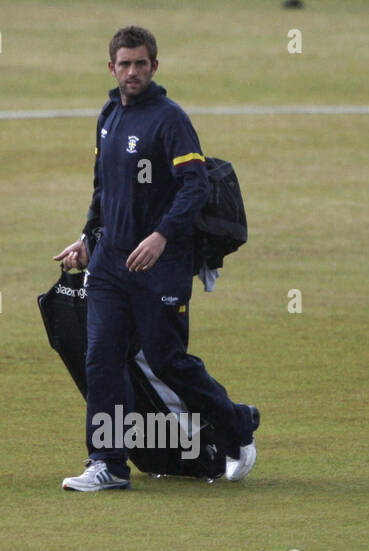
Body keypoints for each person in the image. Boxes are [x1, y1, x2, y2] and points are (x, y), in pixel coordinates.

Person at [53, 25, 258, 492]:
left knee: (167, 360)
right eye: (124, 64)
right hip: (109, 265)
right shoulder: (108, 116)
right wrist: (87, 239)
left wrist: (162, 237)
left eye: (140, 63)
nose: (132, 72)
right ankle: (107, 463)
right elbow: (104, 190)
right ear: (111, 67)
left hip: (160, 266)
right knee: (102, 359)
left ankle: (237, 424)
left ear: (154, 66)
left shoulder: (170, 120)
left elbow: (196, 185)